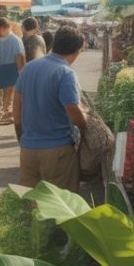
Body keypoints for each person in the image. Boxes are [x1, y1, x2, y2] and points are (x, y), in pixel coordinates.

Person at [13, 25, 88, 191]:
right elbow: (74, 112)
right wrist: (86, 128)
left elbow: (16, 108)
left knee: (34, 208)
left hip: (28, 150)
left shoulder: (28, 68)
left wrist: (22, 138)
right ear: (76, 50)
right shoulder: (65, 73)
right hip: (57, 151)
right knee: (61, 209)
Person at [0, 18, 26, 124]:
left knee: (9, 93)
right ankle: (2, 113)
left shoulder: (15, 40)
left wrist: (20, 72)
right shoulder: (0, 39)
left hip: (12, 68)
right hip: (2, 68)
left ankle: (4, 113)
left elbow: (19, 57)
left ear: (5, 28)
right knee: (4, 93)